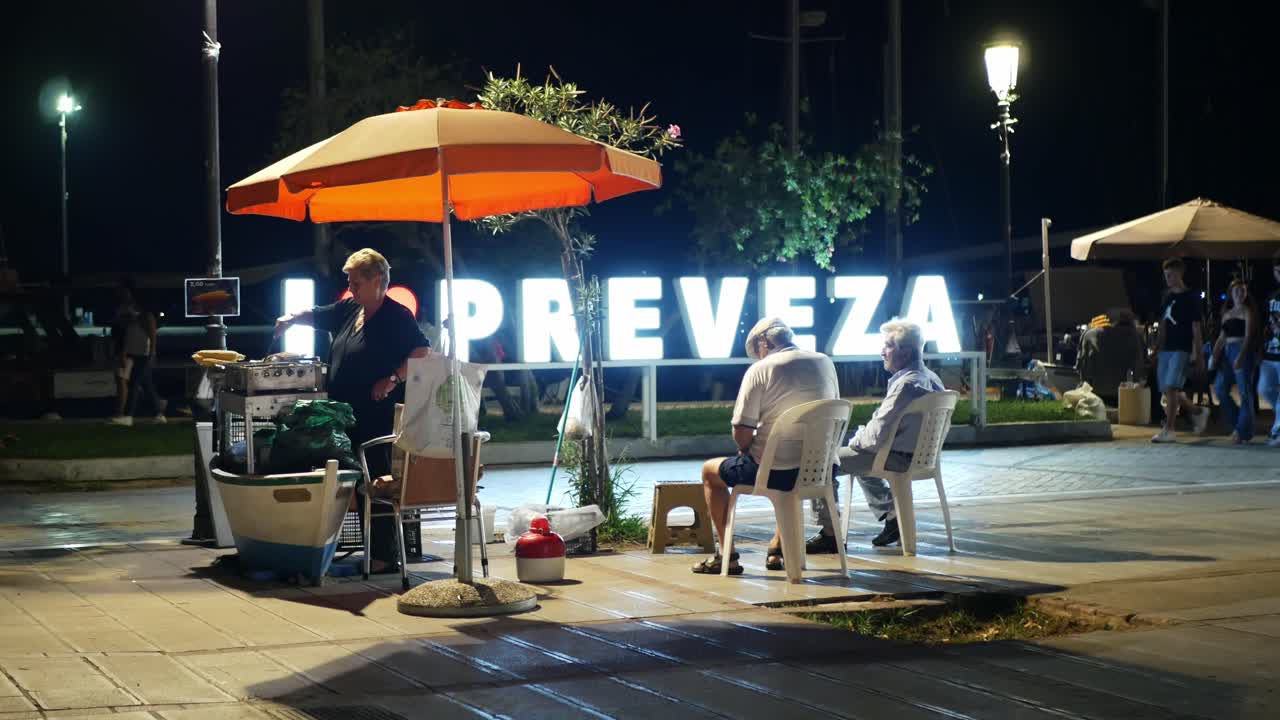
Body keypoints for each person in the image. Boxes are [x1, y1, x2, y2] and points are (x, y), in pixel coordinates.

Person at [274, 249, 430, 574]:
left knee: (376, 478)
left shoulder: (396, 315)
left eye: (357, 282)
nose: (352, 287)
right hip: (344, 411)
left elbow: (422, 350)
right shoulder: (351, 309)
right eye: (349, 281)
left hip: (375, 412)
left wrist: (392, 379)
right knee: (347, 477)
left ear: (377, 281)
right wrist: (290, 319)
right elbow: (317, 314)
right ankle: (354, 545)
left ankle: (385, 555)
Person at [692, 317, 838, 576]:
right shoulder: (824, 362)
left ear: (764, 342)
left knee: (710, 472)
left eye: (757, 351)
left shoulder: (761, 369)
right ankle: (777, 548)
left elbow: (741, 431)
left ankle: (727, 555)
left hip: (775, 473)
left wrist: (745, 448)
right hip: (821, 469)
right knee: (790, 472)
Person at [807, 320, 945, 551]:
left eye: (888, 346)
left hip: (896, 457)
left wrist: (855, 438)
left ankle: (830, 534)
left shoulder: (906, 385)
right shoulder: (931, 378)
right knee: (857, 460)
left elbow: (873, 438)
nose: (882, 352)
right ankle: (892, 515)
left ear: (906, 352)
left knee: (819, 462)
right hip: (918, 456)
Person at [1152, 257, 1210, 443]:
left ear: (1179, 274)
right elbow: (1163, 323)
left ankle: (1169, 429)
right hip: (1166, 348)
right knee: (1170, 390)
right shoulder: (1166, 296)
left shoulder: (1190, 298)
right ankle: (1198, 412)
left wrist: (1199, 354)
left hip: (1182, 348)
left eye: (1170, 275)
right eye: (1165, 275)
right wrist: (1157, 347)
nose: (1167, 278)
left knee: (1171, 387)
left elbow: (1196, 327)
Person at [109, 278, 165, 426]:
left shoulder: (146, 317)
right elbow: (127, 335)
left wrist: (152, 353)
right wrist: (125, 351)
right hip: (133, 353)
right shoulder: (131, 318)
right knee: (146, 385)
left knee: (134, 383)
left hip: (144, 354)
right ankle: (159, 413)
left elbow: (152, 336)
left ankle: (128, 416)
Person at [1212, 279, 1258, 443]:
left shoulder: (1247, 312)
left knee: (1245, 392)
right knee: (1219, 388)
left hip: (1242, 350)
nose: (1240, 293)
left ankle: (1240, 431)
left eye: (1243, 290)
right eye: (1237, 290)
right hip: (1227, 352)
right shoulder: (1227, 314)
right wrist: (1214, 355)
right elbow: (1221, 338)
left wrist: (1241, 355)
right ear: (1231, 293)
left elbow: (1248, 336)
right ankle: (1240, 426)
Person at [1258, 254, 1280, 447]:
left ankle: (1276, 431)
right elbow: (1266, 323)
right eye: (1276, 270)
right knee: (1263, 388)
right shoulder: (1271, 296)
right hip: (1270, 352)